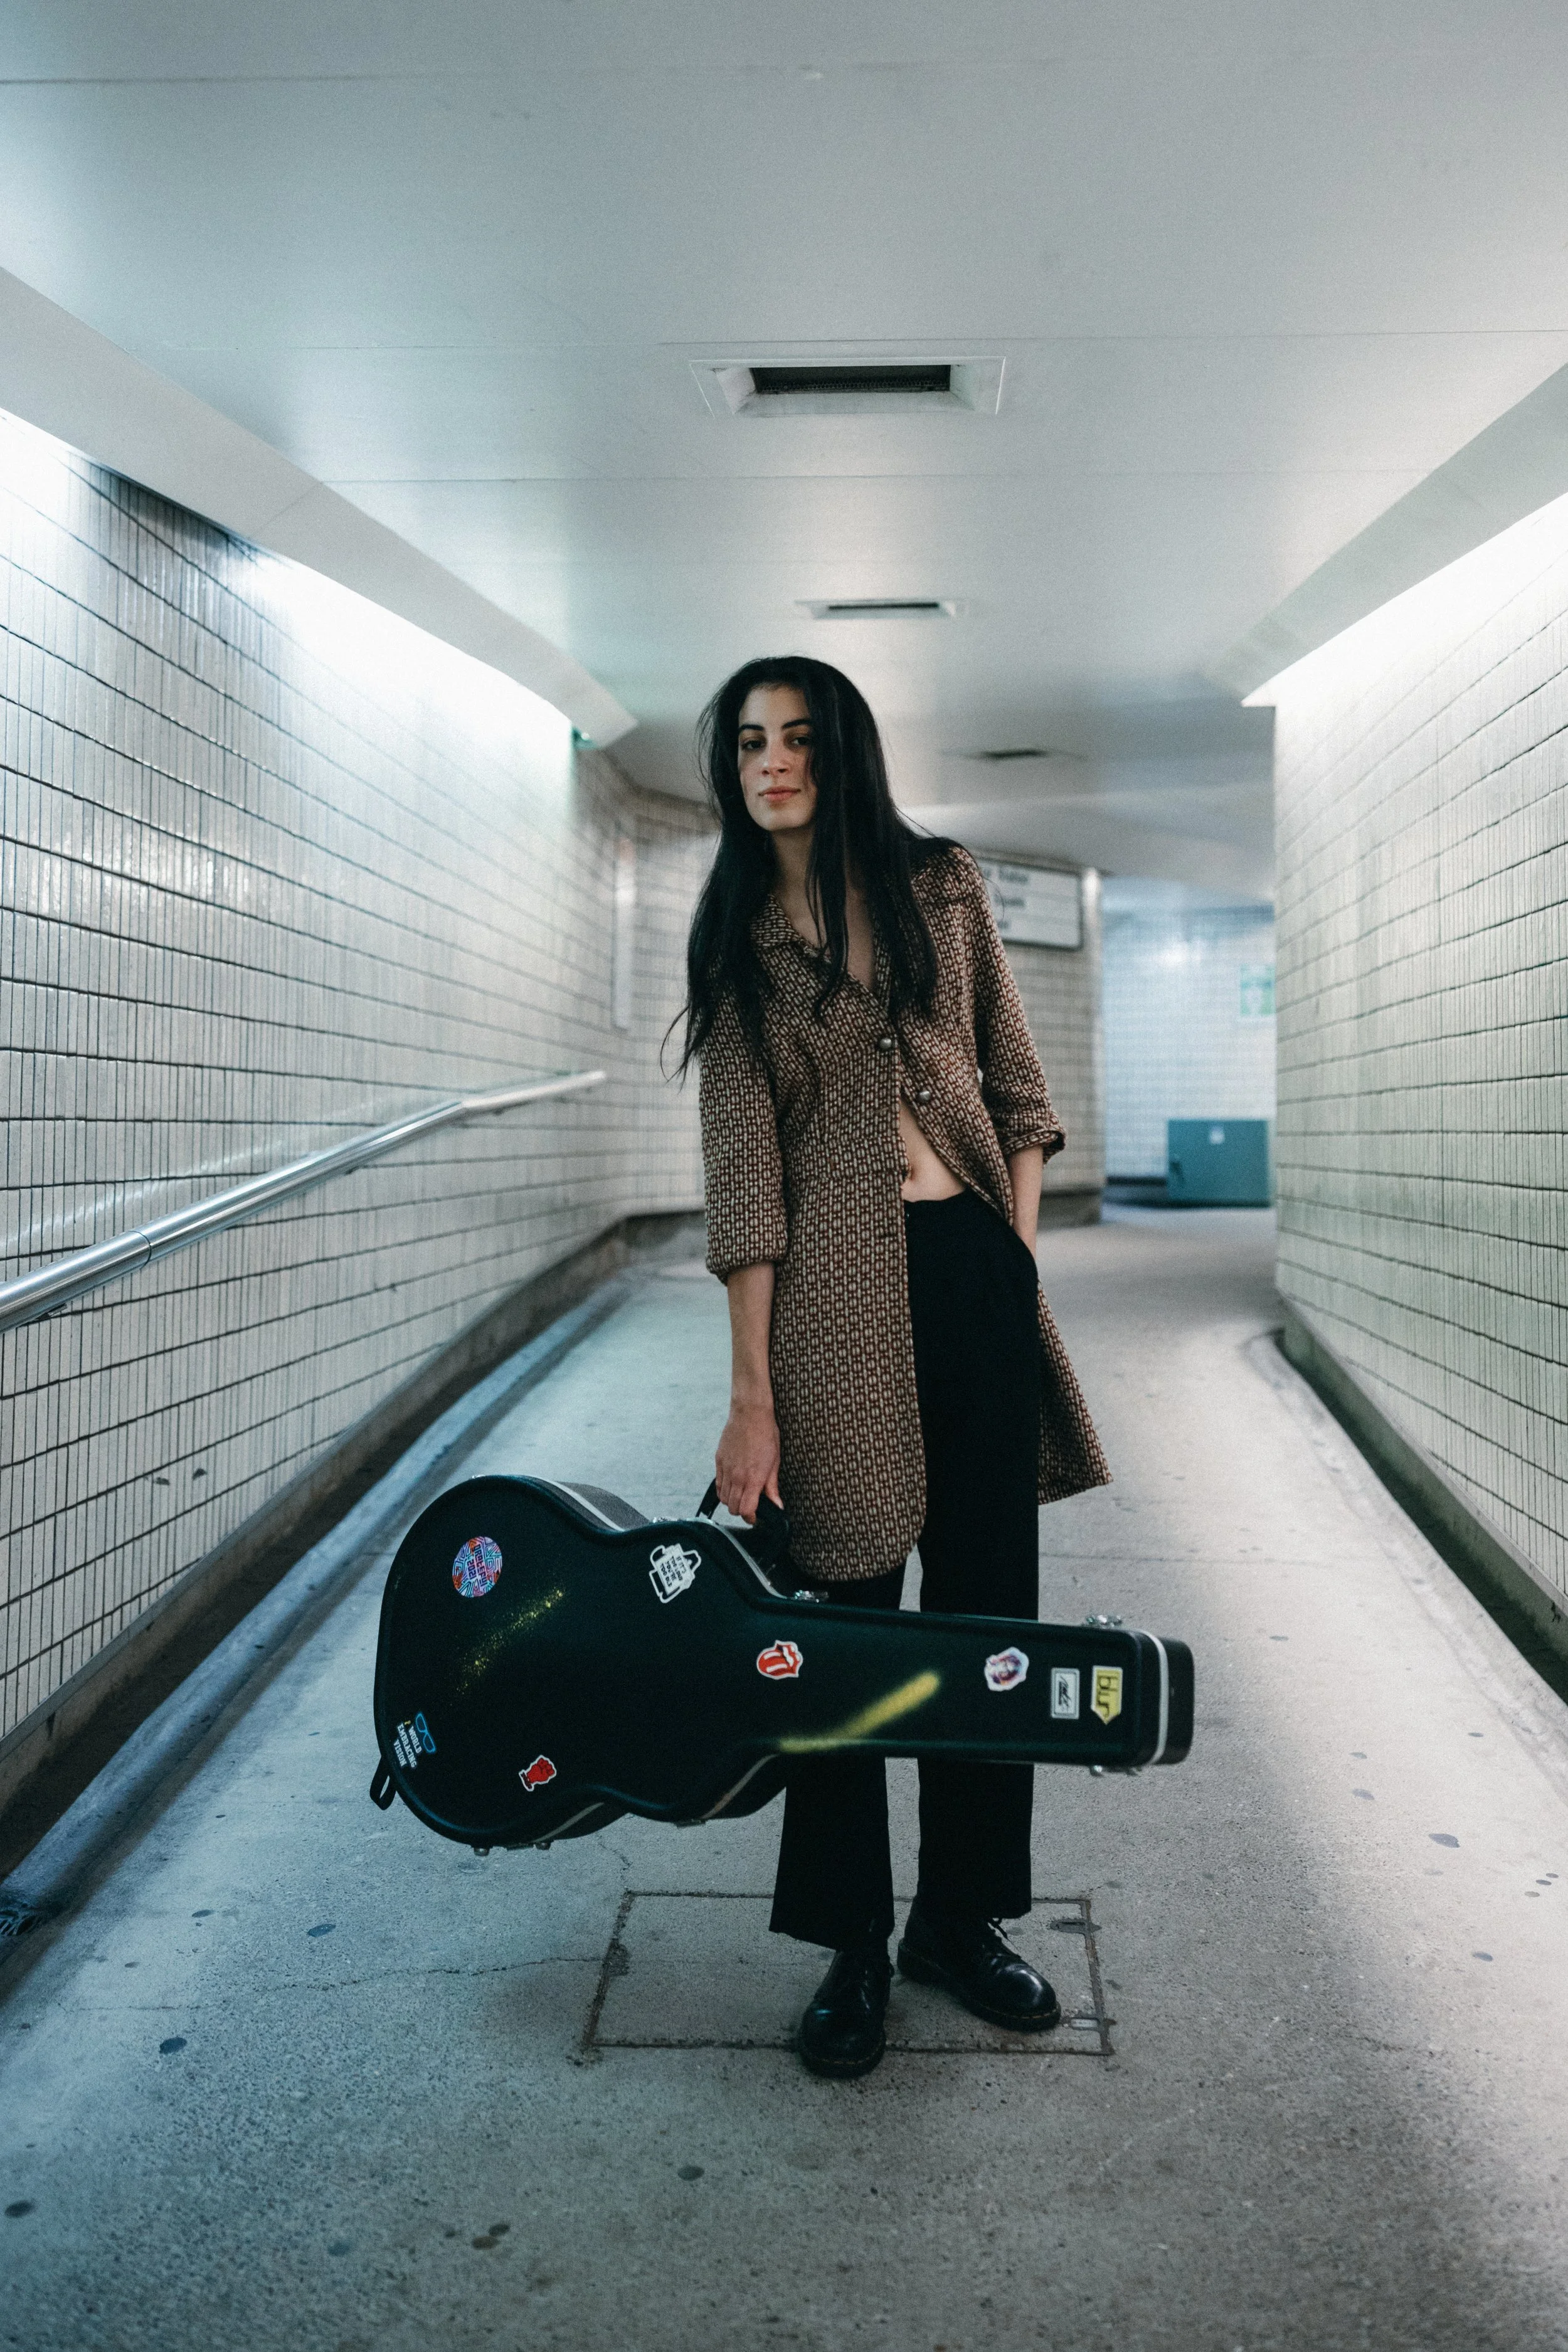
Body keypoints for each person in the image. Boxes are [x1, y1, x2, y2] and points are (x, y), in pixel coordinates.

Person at [680, 655, 1110, 2079]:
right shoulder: (739, 939)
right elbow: (744, 1183)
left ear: (841, 750)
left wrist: (1012, 1257)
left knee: (988, 1619)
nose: (772, 762)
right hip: (831, 1312)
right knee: (843, 1631)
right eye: (749, 742)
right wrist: (749, 1394)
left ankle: (960, 1920)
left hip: (970, 1275)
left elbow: (1015, 1087)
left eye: (797, 737)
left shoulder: (940, 885)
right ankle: (851, 1944)